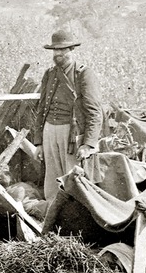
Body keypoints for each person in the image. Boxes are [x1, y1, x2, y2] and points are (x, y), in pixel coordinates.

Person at [31, 29, 103, 201]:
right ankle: (53, 217)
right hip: (50, 132)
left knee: (74, 179)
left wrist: (88, 144)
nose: (59, 53)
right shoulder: (49, 74)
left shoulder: (84, 74)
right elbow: (42, 109)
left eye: (63, 49)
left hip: (72, 134)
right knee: (52, 180)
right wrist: (39, 142)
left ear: (71, 50)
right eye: (56, 50)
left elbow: (94, 112)